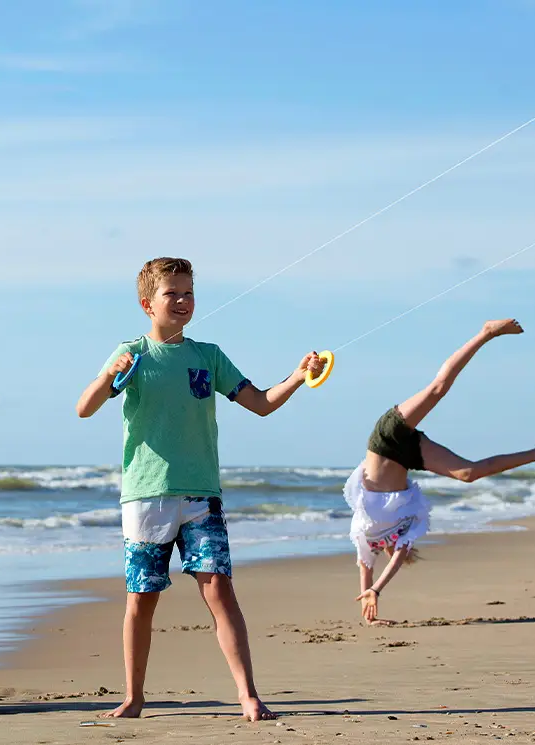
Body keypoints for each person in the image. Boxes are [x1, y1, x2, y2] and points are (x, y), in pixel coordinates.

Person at [76, 257, 324, 722]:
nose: (184, 301)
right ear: (148, 303)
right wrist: (111, 375)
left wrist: (297, 376)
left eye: (189, 293)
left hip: (201, 496)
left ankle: (248, 695)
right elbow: (84, 408)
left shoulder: (208, 356)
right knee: (141, 600)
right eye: (173, 293)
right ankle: (134, 696)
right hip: (147, 496)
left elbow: (261, 404)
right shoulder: (130, 353)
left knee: (220, 592)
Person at [347, 319, 535, 625]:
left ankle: (486, 333)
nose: (401, 550)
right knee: (468, 473)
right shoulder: (410, 524)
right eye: (404, 551)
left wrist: (371, 594)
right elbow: (394, 560)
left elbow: (367, 572)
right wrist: (375, 599)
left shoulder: (365, 536)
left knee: (437, 389)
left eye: (400, 551)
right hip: (407, 456)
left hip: (385, 440)